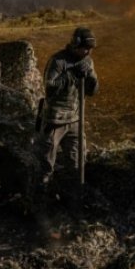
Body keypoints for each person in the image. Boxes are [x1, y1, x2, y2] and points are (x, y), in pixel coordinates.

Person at [35, 26, 99, 189]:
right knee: (45, 166)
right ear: (75, 44)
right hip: (54, 120)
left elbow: (93, 91)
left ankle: (74, 201)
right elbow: (49, 88)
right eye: (84, 48)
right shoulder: (58, 61)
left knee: (77, 164)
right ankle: (42, 203)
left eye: (89, 49)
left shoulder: (87, 62)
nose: (87, 52)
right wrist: (70, 75)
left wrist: (91, 79)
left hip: (75, 120)